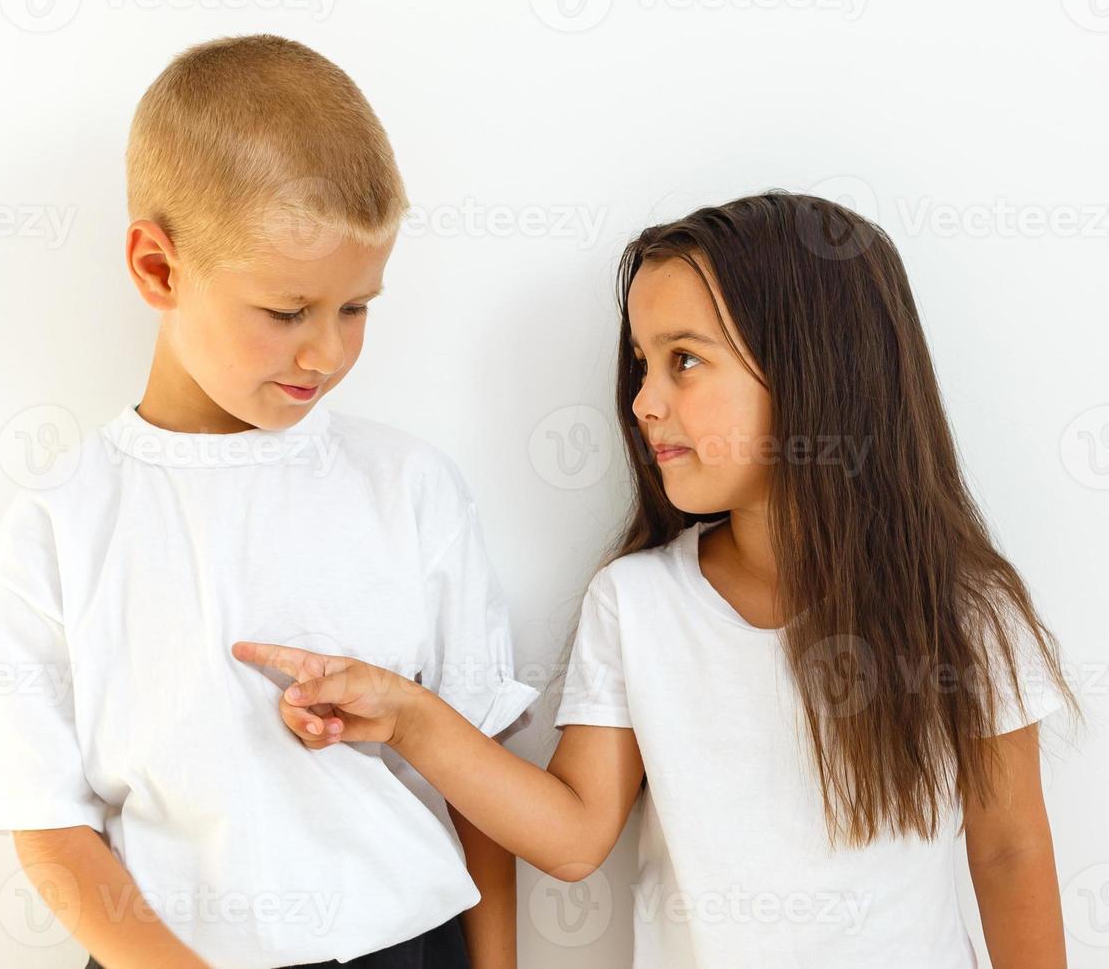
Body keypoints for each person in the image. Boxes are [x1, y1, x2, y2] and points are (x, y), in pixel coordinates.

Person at [236, 192, 1080, 968]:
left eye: (684, 361)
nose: (642, 401)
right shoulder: (637, 605)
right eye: (642, 363)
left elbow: (1008, 851)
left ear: (814, 373)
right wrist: (411, 718)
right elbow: (571, 838)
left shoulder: (966, 612)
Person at [0, 34, 538, 969]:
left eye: (358, 307)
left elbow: (483, 784)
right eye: (287, 311)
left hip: (403, 946)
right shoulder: (62, 520)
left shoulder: (410, 489)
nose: (329, 353)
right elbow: (48, 823)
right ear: (158, 268)